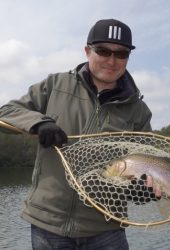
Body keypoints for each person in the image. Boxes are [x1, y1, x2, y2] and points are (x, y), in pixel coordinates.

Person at [0, 19, 160, 249]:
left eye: (121, 53)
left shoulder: (139, 111)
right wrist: (39, 123)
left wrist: (140, 191)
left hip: (107, 229)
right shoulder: (56, 84)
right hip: (49, 224)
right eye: (103, 51)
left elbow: (144, 162)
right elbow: (6, 113)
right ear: (87, 51)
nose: (112, 60)